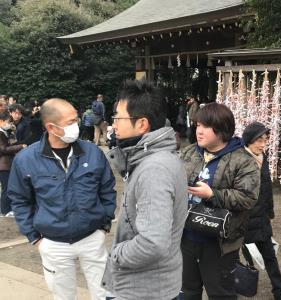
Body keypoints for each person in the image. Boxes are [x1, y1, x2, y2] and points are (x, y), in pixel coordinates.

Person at [8, 98, 116, 300]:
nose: (76, 126)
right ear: (51, 127)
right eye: (70, 122)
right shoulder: (26, 159)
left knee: (106, 293)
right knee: (63, 296)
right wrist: (35, 238)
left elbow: (107, 189)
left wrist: (104, 225)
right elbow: (20, 200)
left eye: (76, 119)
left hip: (92, 237)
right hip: (52, 242)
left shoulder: (92, 152)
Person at [102, 79, 187, 299]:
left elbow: (152, 244)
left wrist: (117, 253)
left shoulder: (154, 169)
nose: (113, 125)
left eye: (118, 117)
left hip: (142, 289)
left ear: (142, 124)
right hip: (155, 283)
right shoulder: (156, 158)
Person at [180, 103, 260, 300]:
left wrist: (212, 194)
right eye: (197, 125)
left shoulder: (243, 160)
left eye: (205, 126)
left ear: (222, 128)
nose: (199, 131)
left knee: (221, 294)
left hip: (220, 244)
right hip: (186, 237)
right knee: (187, 292)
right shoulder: (189, 153)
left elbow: (247, 198)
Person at [241, 122, 281, 300]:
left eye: (265, 140)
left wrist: (270, 212)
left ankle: (280, 292)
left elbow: (268, 187)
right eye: (258, 140)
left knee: (270, 255)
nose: (262, 144)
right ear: (248, 141)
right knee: (237, 256)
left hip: (261, 218)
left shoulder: (263, 157)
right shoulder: (239, 158)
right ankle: (234, 288)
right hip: (242, 219)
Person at [0, 111, 25, 217]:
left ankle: (6, 209)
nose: (9, 124)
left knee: (8, 187)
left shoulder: (5, 132)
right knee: (6, 187)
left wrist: (11, 132)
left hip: (7, 163)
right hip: (3, 164)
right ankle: (4, 211)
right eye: (7, 122)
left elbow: (13, 142)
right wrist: (20, 147)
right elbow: (3, 149)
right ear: (1, 121)